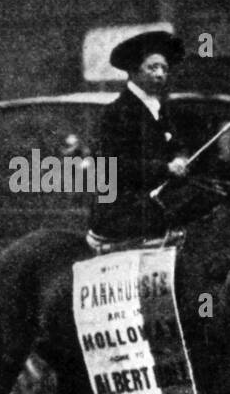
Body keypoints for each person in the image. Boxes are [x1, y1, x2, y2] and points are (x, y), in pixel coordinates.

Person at [89, 30, 215, 242]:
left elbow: (175, 144)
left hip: (157, 200)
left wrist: (180, 158)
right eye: (152, 67)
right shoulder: (115, 113)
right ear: (134, 71)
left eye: (164, 69)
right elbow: (112, 167)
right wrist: (165, 168)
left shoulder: (160, 109)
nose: (160, 74)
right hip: (122, 209)